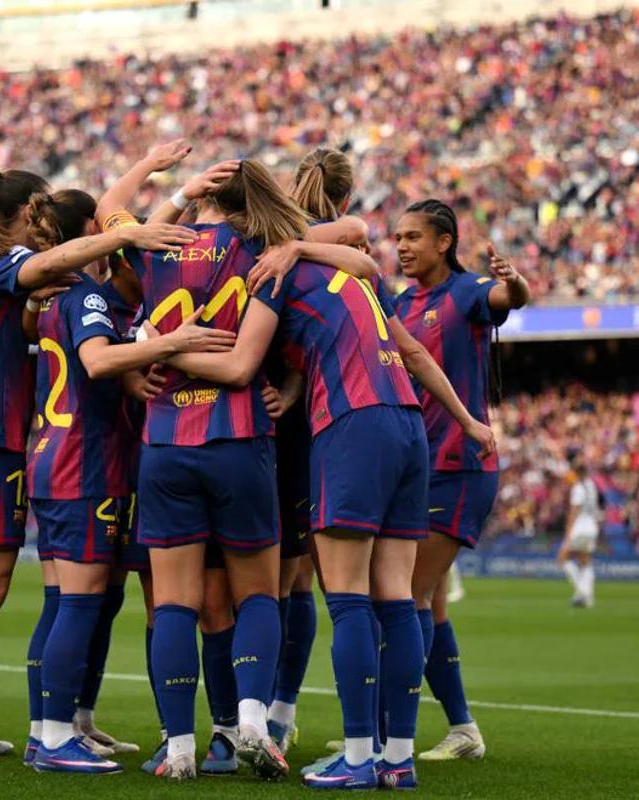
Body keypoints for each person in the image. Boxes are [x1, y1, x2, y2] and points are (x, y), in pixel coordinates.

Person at [159, 188, 495, 790]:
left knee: (346, 600)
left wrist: (166, 353)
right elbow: (410, 346)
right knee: (396, 596)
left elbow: (238, 366)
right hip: (407, 423)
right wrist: (469, 421)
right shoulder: (344, 270)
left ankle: (359, 756)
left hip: (351, 424)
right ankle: (397, 758)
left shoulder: (270, 269)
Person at [0, 168, 197, 766]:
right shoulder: (10, 266)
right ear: (29, 214)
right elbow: (64, 265)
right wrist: (126, 235)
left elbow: (52, 290)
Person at [19, 187, 236, 775]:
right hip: (80, 466)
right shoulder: (85, 295)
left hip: (55, 457)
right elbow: (95, 361)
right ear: (94, 236)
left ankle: (50, 730)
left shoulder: (51, 297)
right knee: (80, 604)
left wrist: (138, 353)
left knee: (70, 602)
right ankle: (57, 736)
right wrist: (174, 342)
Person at [391, 198, 529, 762]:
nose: (401, 246)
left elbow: (507, 300)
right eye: (397, 237)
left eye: (412, 237)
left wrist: (514, 282)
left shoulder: (467, 291)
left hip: (458, 467)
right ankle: (463, 729)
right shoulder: (398, 303)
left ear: (443, 242)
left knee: (407, 598)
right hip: (416, 469)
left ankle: (382, 729)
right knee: (431, 604)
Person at [268, 146, 368, 753]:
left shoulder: (277, 236)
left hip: (266, 417)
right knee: (310, 582)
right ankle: (281, 711)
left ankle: (251, 716)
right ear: (346, 194)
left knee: (272, 583)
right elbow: (358, 240)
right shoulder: (338, 244)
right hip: (320, 422)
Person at [558, 455, 603, 608]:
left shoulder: (578, 488)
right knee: (585, 562)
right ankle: (588, 598)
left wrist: (568, 532)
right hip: (592, 527)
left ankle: (582, 593)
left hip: (580, 527)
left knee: (562, 559)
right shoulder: (591, 485)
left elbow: (574, 512)